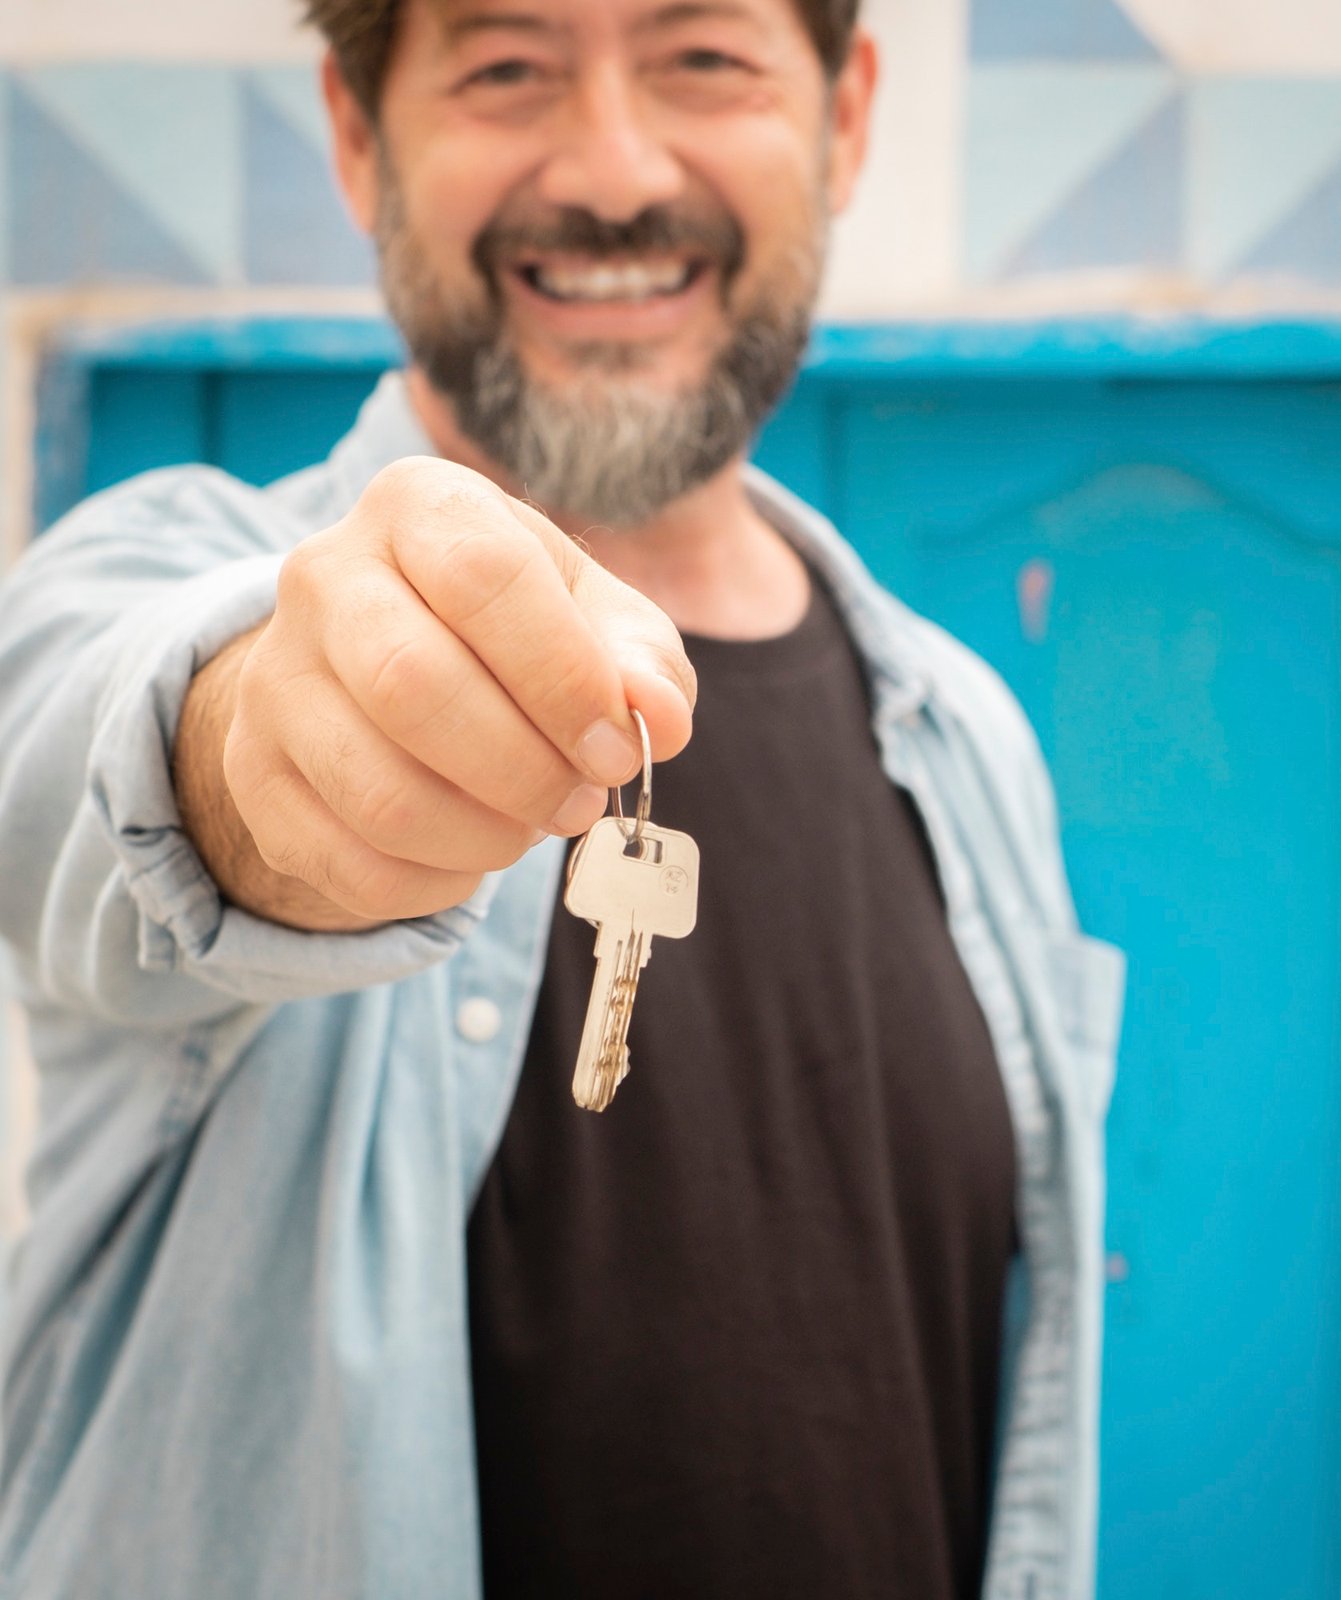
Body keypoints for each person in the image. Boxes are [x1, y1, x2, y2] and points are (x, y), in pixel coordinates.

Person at [0, 1, 1124, 1596]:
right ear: (356, 131)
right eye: (504, 66)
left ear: (846, 116)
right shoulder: (153, 582)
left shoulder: (970, 738)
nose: (610, 169)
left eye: (705, 57)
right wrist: (284, 758)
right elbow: (119, 758)